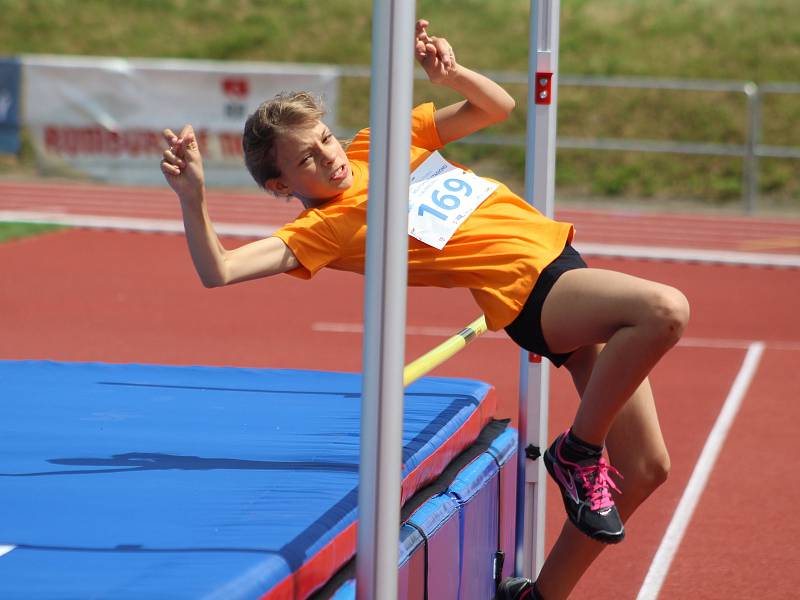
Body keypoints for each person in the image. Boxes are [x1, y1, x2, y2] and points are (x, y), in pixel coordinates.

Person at [161, 19, 689, 600]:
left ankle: (542, 596)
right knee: (664, 309)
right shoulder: (324, 227)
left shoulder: (379, 143)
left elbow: (496, 107)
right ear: (281, 186)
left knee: (645, 469)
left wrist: (450, 74)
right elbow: (221, 270)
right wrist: (194, 198)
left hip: (563, 266)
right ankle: (577, 453)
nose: (327, 158)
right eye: (306, 160)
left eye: (324, 140)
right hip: (527, 292)